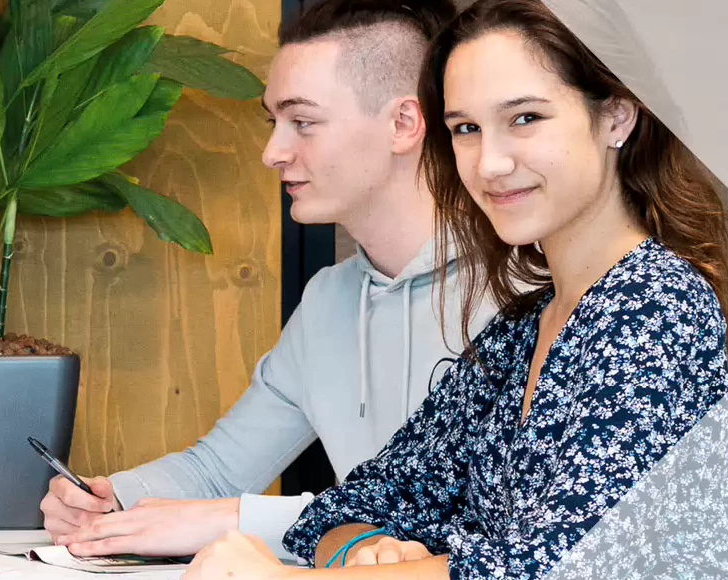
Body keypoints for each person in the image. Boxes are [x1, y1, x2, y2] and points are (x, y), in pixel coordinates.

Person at [180, 0, 728, 578]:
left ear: (617, 118)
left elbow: (548, 567)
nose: (490, 163)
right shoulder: (520, 331)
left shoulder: (656, 305)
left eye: (525, 118)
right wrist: (365, 550)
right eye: (466, 129)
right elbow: (356, 505)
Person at [39, 0, 494, 561]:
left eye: (302, 122)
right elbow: (220, 470)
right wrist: (113, 500)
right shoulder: (329, 301)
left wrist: (233, 520)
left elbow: (487, 523)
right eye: (273, 123)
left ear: (403, 123)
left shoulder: (524, 294)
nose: (272, 153)